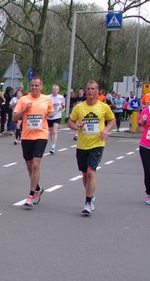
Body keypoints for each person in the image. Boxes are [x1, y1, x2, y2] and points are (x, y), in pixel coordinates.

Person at [67, 80, 116, 216]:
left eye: (93, 89)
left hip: (97, 144)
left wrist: (106, 130)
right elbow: (70, 122)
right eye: (88, 89)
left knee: (90, 172)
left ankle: (88, 202)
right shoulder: (79, 107)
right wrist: (76, 127)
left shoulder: (103, 107)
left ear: (97, 91)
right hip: (82, 145)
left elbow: (112, 120)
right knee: (84, 174)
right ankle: (90, 194)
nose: (90, 91)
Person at [11, 77, 53, 207]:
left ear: (41, 86)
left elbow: (51, 112)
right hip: (27, 136)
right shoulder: (23, 100)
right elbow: (14, 118)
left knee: (35, 164)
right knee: (29, 165)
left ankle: (31, 194)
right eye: (32, 85)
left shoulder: (46, 99)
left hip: (41, 135)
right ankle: (38, 188)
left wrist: (50, 114)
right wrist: (24, 110)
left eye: (37, 85)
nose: (34, 87)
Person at [48, 84, 65, 153]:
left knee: (54, 131)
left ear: (58, 90)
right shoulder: (48, 97)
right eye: (53, 89)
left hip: (57, 116)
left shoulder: (61, 97)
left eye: (56, 89)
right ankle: (52, 143)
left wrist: (62, 108)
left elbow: (63, 106)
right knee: (51, 132)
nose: (54, 91)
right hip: (50, 116)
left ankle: (53, 146)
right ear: (52, 90)